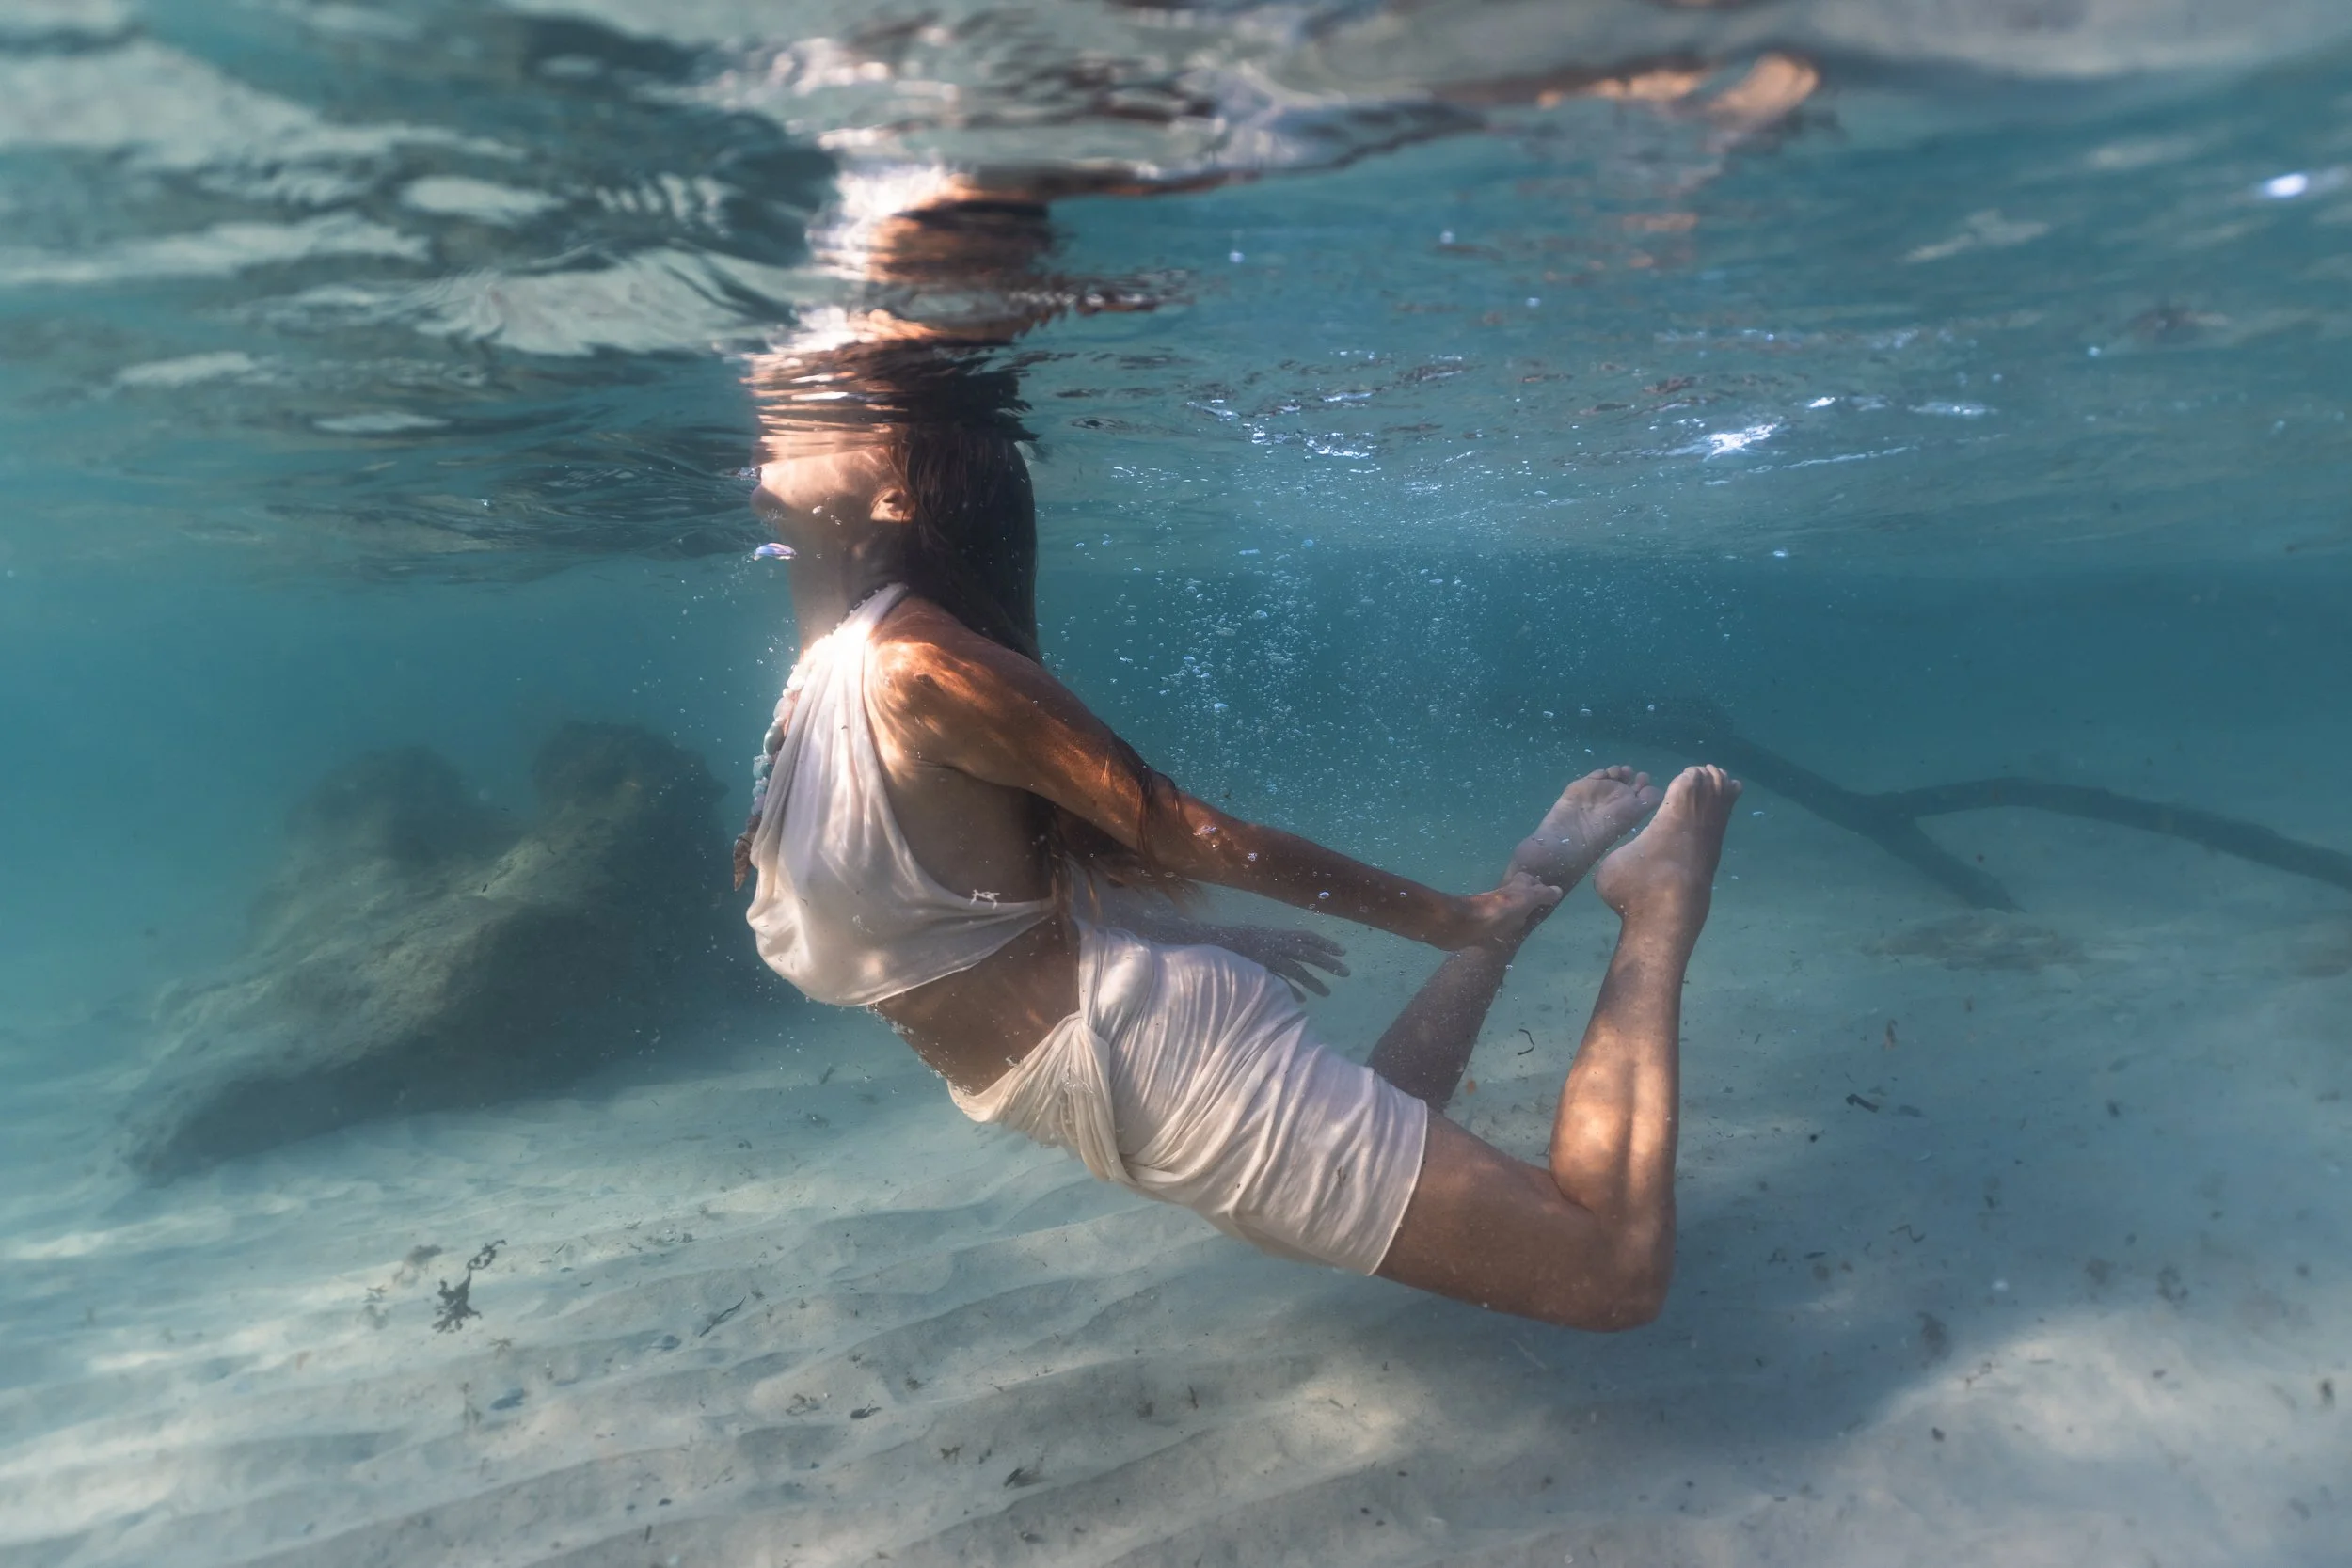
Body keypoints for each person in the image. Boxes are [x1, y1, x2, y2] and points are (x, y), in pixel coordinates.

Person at [733, 342, 1740, 1329]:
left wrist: (1450, 918)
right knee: (1392, 1111)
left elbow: (1191, 834)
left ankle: (1656, 901)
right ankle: (1531, 880)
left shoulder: (916, 669)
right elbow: (962, 899)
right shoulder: (839, 650)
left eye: (830, 416)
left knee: (1609, 1273)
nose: (779, 418)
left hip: (1145, 1060)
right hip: (1095, 1058)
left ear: (896, 495)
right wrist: (1200, 939)